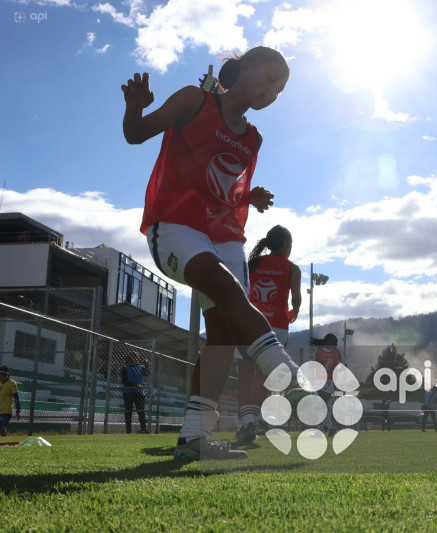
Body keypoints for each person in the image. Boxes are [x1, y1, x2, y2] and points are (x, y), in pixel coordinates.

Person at [122, 46, 300, 460]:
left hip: (224, 235)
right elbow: (135, 134)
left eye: (281, 89)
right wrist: (134, 108)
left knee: (221, 335)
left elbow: (224, 184)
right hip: (176, 225)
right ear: (245, 68)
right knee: (224, 284)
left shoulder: (253, 138)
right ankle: (282, 368)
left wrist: (248, 196)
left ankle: (194, 438)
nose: (274, 91)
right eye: (271, 78)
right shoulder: (193, 99)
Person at [235, 225, 301, 445]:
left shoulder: (253, 263)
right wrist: (295, 312)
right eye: (290, 243)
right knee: (264, 380)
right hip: (277, 329)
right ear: (284, 244)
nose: (290, 248)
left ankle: (246, 423)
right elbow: (296, 299)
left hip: (250, 325)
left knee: (245, 377)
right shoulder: (292, 268)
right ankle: (253, 422)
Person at [121, 354, 150, 434]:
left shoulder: (141, 367)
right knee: (128, 411)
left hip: (139, 392)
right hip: (128, 392)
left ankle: (143, 429)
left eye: (134, 357)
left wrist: (146, 364)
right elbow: (125, 381)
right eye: (130, 357)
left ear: (137, 358)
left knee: (141, 411)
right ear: (128, 359)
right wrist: (134, 385)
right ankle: (128, 431)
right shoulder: (124, 368)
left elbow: (147, 373)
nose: (132, 359)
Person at [0, 366, 21, 437]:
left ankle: (3, 444)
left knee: (2, 426)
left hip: (6, 411)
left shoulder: (12, 384)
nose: (0, 377)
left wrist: (18, 411)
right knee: (1, 428)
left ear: (6, 375)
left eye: (2, 375)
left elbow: (16, 398)